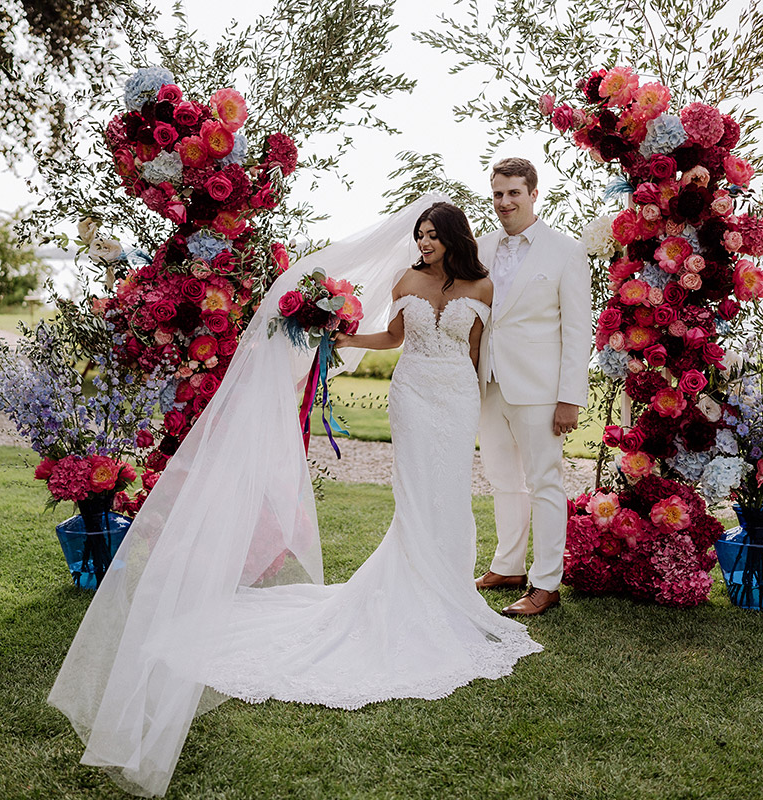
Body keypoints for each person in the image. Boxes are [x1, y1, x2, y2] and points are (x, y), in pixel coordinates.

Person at [48, 196, 541, 797]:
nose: (425, 242)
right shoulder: (406, 277)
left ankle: (447, 588)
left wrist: (470, 396)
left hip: (456, 398)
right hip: (412, 396)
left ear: (455, 238)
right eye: (420, 233)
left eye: (434, 235)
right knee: (414, 496)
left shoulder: (483, 286)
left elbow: (473, 352)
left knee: (449, 497)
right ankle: (417, 592)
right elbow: (391, 335)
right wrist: (336, 332)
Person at [474, 157, 593, 616]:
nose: (505, 202)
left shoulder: (565, 251)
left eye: (514, 193)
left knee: (543, 482)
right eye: (498, 193)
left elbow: (578, 330)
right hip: (489, 381)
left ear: (533, 194)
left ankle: (545, 584)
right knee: (503, 479)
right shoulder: (479, 248)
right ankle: (507, 565)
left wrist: (569, 398)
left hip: (542, 390)